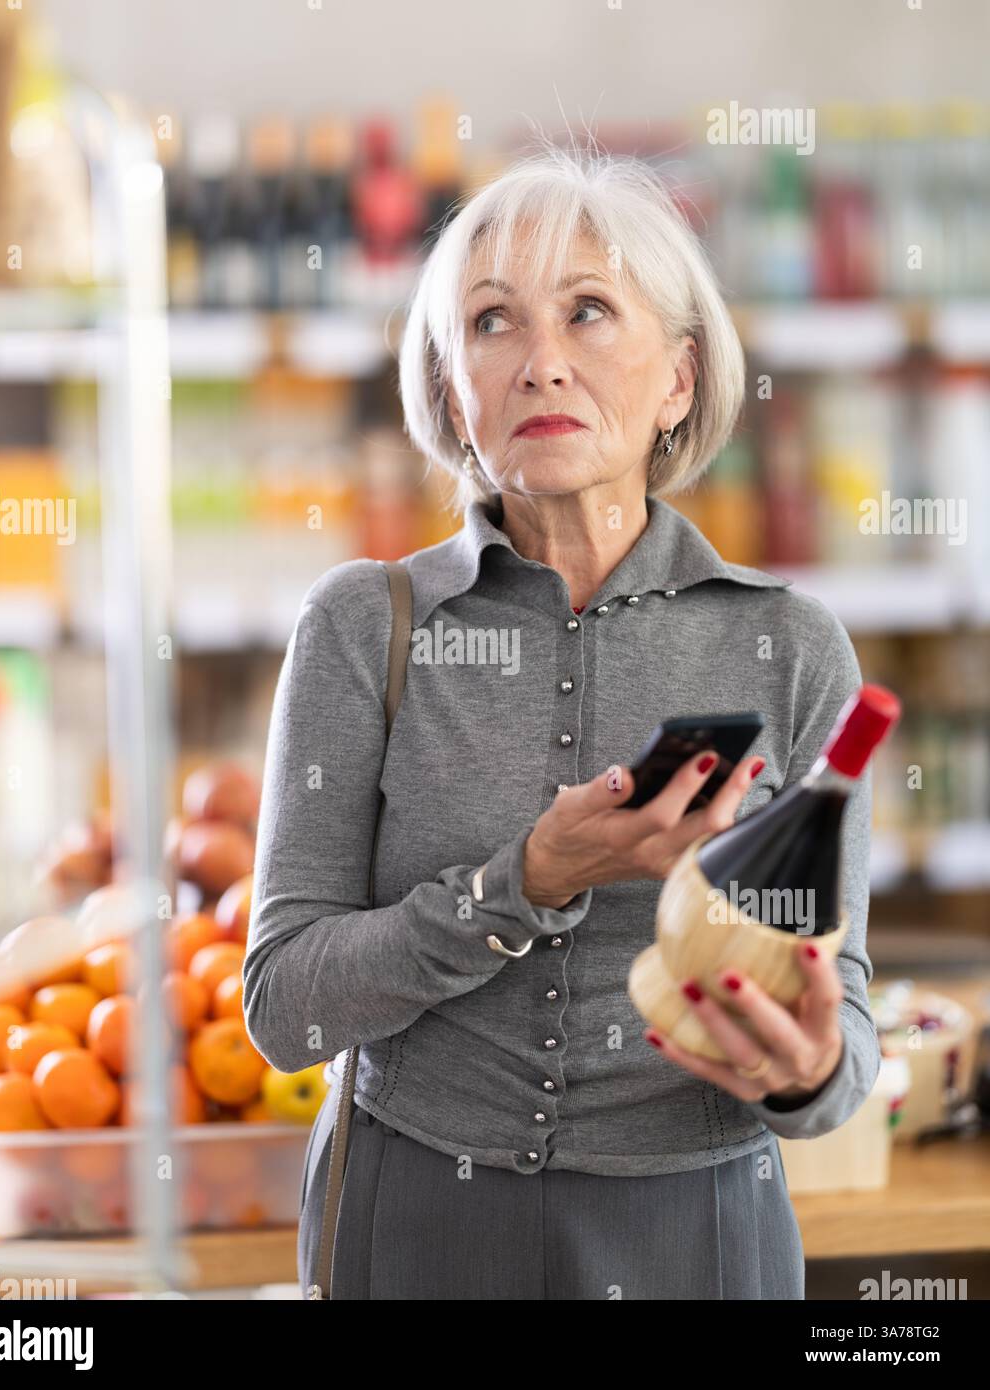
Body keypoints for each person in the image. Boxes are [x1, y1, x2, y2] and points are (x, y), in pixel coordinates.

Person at [243, 136, 880, 1300]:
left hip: (696, 1231)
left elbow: (843, 1041)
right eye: (491, 323)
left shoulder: (787, 649)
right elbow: (284, 1005)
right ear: (450, 389)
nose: (541, 363)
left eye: (588, 312)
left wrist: (808, 1065)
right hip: (418, 1221)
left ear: (678, 379)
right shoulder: (359, 628)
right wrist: (522, 882)